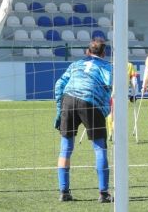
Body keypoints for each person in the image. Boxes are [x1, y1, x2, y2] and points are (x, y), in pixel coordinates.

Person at [54, 40, 113, 203]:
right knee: (99, 147)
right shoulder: (108, 67)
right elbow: (109, 87)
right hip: (90, 101)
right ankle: (104, 193)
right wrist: (105, 110)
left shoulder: (76, 64)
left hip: (69, 99)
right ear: (104, 53)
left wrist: (60, 109)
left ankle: (64, 192)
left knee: (65, 148)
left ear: (87, 51)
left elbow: (59, 84)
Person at [106, 60, 139, 141]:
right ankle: (114, 131)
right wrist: (133, 94)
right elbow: (134, 82)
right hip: (123, 94)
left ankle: (110, 132)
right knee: (119, 115)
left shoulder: (110, 65)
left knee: (111, 113)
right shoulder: (129, 65)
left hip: (110, 92)